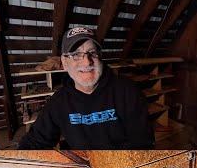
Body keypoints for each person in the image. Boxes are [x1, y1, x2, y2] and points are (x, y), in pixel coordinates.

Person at [18, 26, 154, 149]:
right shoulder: (58, 102)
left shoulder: (128, 92)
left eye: (92, 53)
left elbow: (142, 143)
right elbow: (35, 142)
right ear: (64, 62)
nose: (87, 61)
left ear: (100, 57)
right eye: (76, 55)